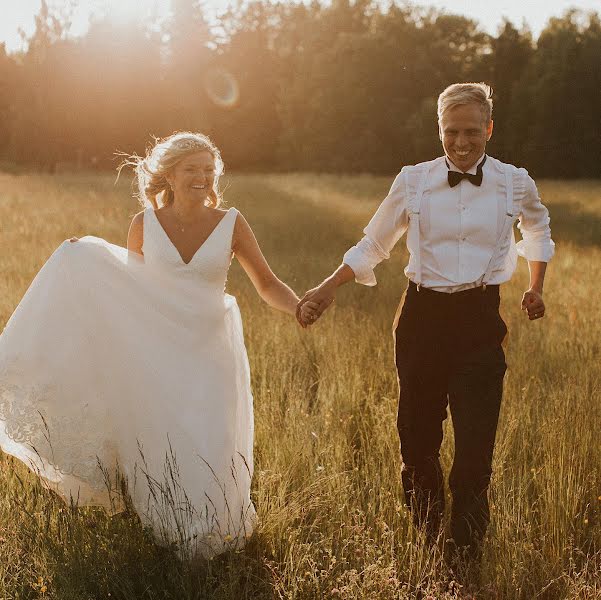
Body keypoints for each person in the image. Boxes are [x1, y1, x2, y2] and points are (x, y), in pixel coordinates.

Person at [0, 131, 301, 557]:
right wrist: (82, 259)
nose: (201, 177)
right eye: (191, 169)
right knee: (163, 437)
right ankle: (169, 525)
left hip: (210, 349)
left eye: (208, 170)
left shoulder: (231, 223)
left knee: (210, 437)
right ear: (171, 176)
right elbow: (130, 289)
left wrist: (297, 307)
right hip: (156, 351)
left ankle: (215, 531)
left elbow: (267, 283)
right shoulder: (143, 224)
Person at [297, 83, 554, 563]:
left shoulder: (515, 182)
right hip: (421, 321)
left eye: (472, 132)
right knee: (418, 446)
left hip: (480, 322)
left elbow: (537, 228)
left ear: (489, 129)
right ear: (439, 129)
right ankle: (431, 548)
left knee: (475, 455)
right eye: (451, 131)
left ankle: (465, 556)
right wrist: (329, 286)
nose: (461, 142)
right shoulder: (412, 181)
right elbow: (374, 244)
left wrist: (536, 286)